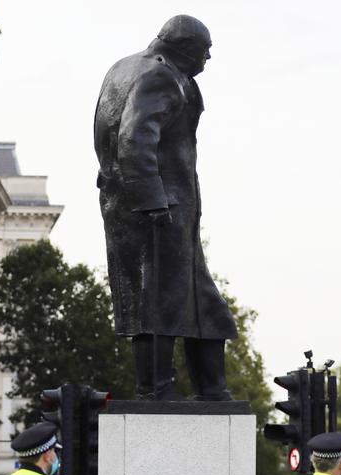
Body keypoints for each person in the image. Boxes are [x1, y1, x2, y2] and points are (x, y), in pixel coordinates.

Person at [94, 14, 238, 401]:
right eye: (205, 51)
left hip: (129, 204)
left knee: (192, 299)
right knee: (158, 302)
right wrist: (154, 203)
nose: (208, 59)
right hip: (157, 209)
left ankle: (212, 389)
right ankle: (157, 391)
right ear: (185, 47)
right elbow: (133, 139)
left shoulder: (124, 68)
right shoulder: (161, 76)